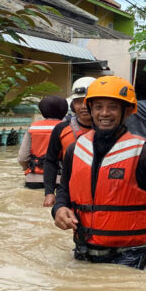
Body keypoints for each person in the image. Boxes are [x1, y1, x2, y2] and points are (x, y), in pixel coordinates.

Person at [52, 76, 146, 270]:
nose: (104, 113)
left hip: (130, 252)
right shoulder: (75, 150)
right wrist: (59, 208)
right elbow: (64, 188)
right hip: (84, 246)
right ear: (91, 110)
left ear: (127, 111)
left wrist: (129, 228)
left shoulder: (145, 155)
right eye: (98, 107)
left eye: (112, 107)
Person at [43, 77, 95, 207]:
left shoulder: (110, 130)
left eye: (87, 101)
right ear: (72, 105)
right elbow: (50, 160)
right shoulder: (61, 129)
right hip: (70, 188)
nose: (83, 106)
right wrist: (49, 192)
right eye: (78, 102)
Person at [18, 95, 68, 189]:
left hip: (33, 179)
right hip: (59, 179)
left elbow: (22, 157)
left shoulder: (32, 128)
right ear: (64, 111)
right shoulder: (67, 128)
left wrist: (28, 168)